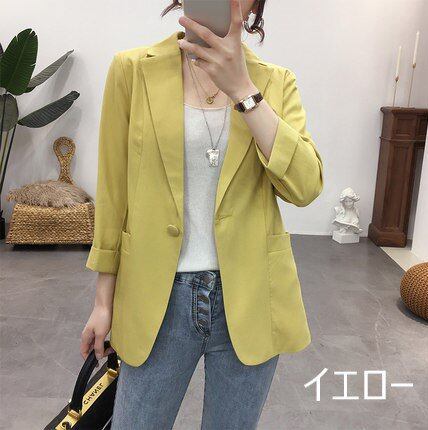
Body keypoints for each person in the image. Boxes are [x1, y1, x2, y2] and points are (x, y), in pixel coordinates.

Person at [81, 0, 323, 428]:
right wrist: (104, 301)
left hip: (250, 297)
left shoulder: (275, 82)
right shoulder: (133, 70)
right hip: (156, 297)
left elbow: (305, 187)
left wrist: (244, 91)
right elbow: (113, 191)